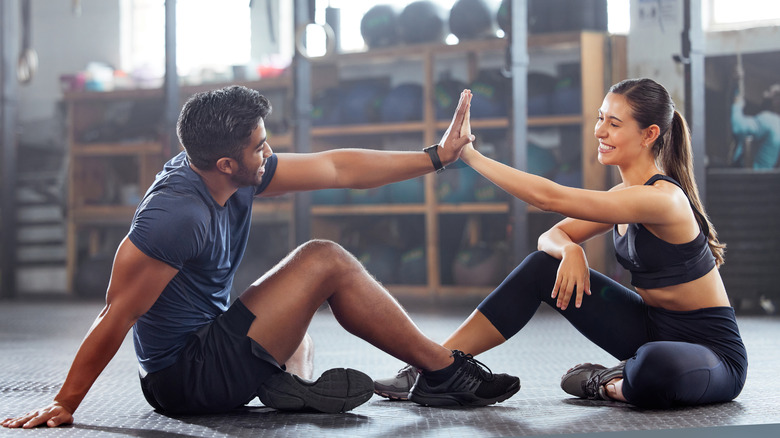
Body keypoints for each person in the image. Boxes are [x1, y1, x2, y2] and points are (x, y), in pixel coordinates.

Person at [3, 86, 520, 429]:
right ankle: (443, 371)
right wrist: (65, 402)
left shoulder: (231, 170)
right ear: (227, 162)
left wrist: (436, 157)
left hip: (210, 345)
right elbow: (116, 313)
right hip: (185, 378)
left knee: (300, 329)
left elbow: (336, 169)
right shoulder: (176, 215)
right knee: (325, 258)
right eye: (261, 147)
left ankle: (288, 385)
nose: (270, 153)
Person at [375, 79, 748, 408]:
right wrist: (570, 248)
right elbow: (550, 234)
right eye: (600, 118)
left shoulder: (662, 199)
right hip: (649, 327)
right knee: (542, 266)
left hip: (710, 353)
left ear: (649, 134)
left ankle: (606, 383)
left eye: (614, 124)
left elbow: (549, 198)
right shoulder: (623, 194)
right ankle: (434, 365)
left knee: (656, 365)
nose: (600, 131)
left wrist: (469, 155)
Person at [730, 65, 780, 169]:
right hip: (764, 179)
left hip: (750, 178)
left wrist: (737, 105)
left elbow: (738, 127)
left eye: (769, 93)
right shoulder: (776, 124)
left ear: (776, 101)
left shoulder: (768, 120)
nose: (764, 94)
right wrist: (737, 85)